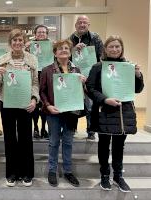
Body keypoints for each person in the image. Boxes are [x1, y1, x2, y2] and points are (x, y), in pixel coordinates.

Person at [86, 35, 144, 192]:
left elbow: (137, 89)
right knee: (104, 145)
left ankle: (118, 175)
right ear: (105, 49)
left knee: (119, 145)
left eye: (117, 46)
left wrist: (138, 75)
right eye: (111, 46)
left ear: (122, 48)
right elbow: (90, 89)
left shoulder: (128, 66)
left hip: (123, 112)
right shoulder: (98, 67)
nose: (114, 49)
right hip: (104, 111)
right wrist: (105, 100)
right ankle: (105, 175)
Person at [0, 29, 39, 187]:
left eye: (20, 40)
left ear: (24, 41)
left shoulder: (32, 59)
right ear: (10, 43)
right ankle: (11, 173)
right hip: (7, 103)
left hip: (26, 104)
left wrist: (34, 99)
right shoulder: (2, 59)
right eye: (14, 40)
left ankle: (27, 173)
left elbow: (35, 83)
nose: (17, 43)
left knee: (26, 139)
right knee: (10, 139)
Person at [40, 39, 86, 187]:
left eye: (66, 48)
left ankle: (68, 171)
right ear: (55, 53)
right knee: (53, 142)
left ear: (70, 51)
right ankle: (52, 170)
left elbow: (80, 92)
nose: (64, 50)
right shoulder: (47, 70)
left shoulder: (76, 70)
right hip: (54, 112)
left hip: (72, 112)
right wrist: (48, 105)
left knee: (68, 142)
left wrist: (83, 83)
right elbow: (42, 92)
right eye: (60, 49)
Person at [69, 15, 104, 140]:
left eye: (85, 23)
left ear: (88, 25)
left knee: (90, 105)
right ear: (76, 25)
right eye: (80, 22)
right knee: (74, 105)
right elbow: (63, 56)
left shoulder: (96, 38)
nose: (82, 25)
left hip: (91, 77)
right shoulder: (70, 39)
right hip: (73, 77)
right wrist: (73, 49)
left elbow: (102, 56)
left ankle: (91, 131)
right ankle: (72, 130)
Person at [30, 24, 50, 139]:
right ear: (35, 34)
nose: (41, 34)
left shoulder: (51, 46)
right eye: (39, 32)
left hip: (47, 76)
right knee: (35, 103)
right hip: (34, 76)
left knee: (45, 104)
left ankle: (43, 128)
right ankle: (36, 128)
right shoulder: (30, 45)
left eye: (43, 32)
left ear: (47, 34)